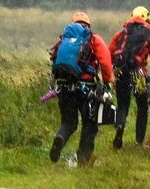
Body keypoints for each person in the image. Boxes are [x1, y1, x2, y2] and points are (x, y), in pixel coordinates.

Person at [48, 11, 114, 166]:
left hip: (64, 87)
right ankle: (83, 159)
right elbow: (105, 62)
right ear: (88, 25)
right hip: (87, 89)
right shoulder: (93, 38)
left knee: (68, 123)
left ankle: (60, 138)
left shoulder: (63, 40)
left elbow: (54, 60)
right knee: (90, 124)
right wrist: (106, 81)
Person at [109, 6, 150, 149]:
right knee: (142, 107)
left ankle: (120, 127)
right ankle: (139, 141)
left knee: (123, 105)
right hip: (139, 75)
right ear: (147, 18)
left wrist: (109, 74)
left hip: (121, 72)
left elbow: (109, 53)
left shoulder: (121, 33)